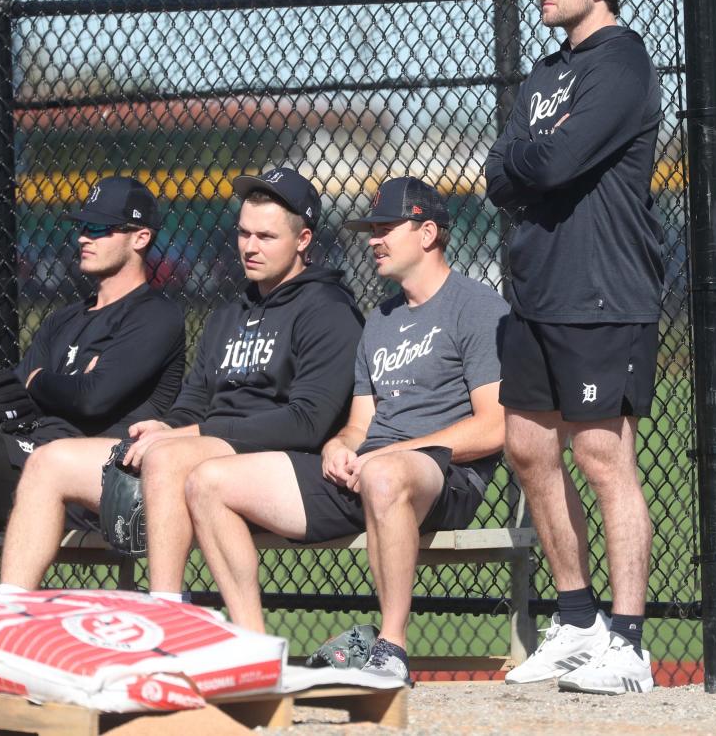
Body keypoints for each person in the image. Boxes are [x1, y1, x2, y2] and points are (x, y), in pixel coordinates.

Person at [184, 176, 508, 684]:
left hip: (444, 475)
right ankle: (254, 651)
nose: (373, 239)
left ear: (427, 234)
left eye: (385, 228)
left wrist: (393, 453)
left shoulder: (477, 306)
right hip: (366, 471)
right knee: (208, 481)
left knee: (384, 474)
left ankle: (391, 647)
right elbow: (359, 422)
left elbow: (494, 426)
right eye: (371, 228)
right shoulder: (380, 318)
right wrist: (340, 446)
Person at [0, 168, 363, 599]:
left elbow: (307, 423)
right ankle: (9, 619)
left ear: (303, 241)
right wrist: (168, 427)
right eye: (244, 234)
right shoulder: (228, 315)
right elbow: (192, 404)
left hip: (271, 465)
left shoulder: (328, 310)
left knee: (167, 458)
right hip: (197, 448)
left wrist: (188, 436)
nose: (249, 247)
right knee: (48, 462)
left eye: (266, 237)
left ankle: (166, 604)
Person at [485, 0, 663, 695]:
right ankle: (578, 617)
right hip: (536, 292)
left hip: (602, 291)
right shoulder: (548, 73)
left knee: (602, 458)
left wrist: (526, 160)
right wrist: (526, 161)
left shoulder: (621, 66)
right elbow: (499, 170)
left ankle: (627, 644)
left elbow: (549, 164)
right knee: (527, 448)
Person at [0, 176, 184, 532]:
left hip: (97, 474)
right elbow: (13, 396)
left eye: (100, 228)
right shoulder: (63, 319)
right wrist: (57, 386)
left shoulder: (155, 316)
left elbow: (92, 399)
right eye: (84, 225)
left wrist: (41, 381)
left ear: (140, 237)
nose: (84, 237)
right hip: (30, 449)